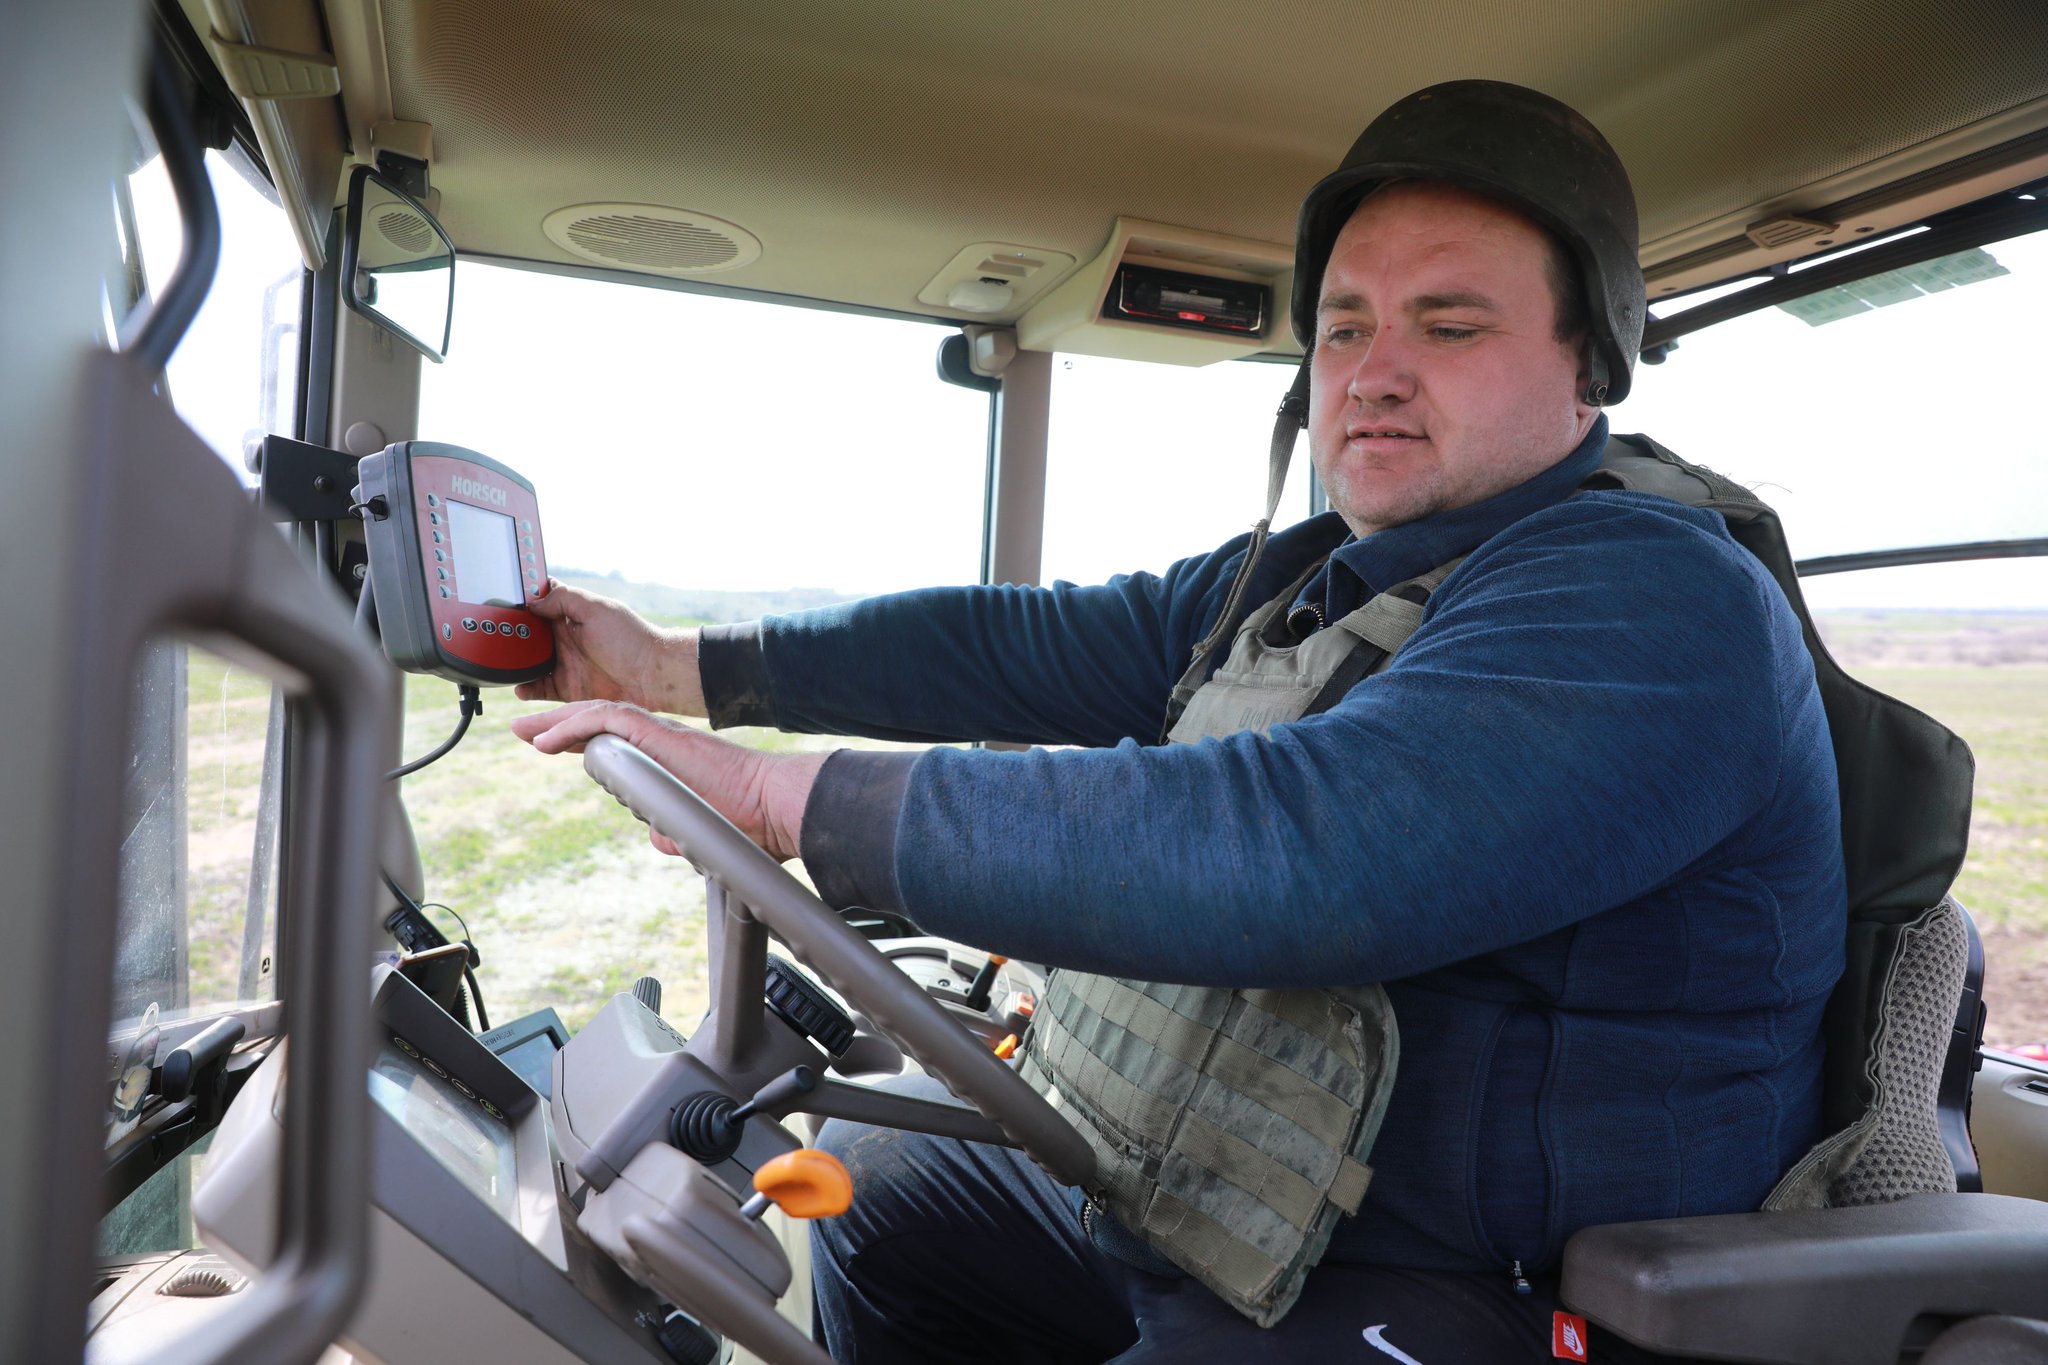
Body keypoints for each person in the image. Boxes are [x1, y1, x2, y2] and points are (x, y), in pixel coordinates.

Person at [512, 81, 1847, 1363]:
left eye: (1448, 328)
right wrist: (675, 667)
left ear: (1589, 366)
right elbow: (1022, 647)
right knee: (880, 1186)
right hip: (1223, 1203)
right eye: (1344, 328)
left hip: (1484, 1283)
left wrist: (787, 801)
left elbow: (1309, 852)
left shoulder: (1658, 598)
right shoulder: (1313, 578)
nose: (1373, 375)